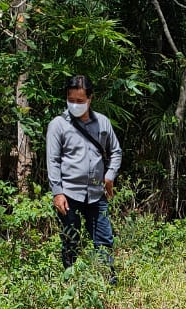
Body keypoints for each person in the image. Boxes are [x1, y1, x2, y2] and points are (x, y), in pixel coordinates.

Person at [46, 75, 123, 279]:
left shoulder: (103, 123)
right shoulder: (58, 125)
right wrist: (57, 193)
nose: (75, 104)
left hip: (97, 194)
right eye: (71, 100)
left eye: (80, 101)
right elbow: (52, 161)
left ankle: (107, 281)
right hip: (69, 194)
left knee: (104, 238)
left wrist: (110, 175)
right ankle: (71, 282)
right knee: (71, 239)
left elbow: (116, 151)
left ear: (90, 99)